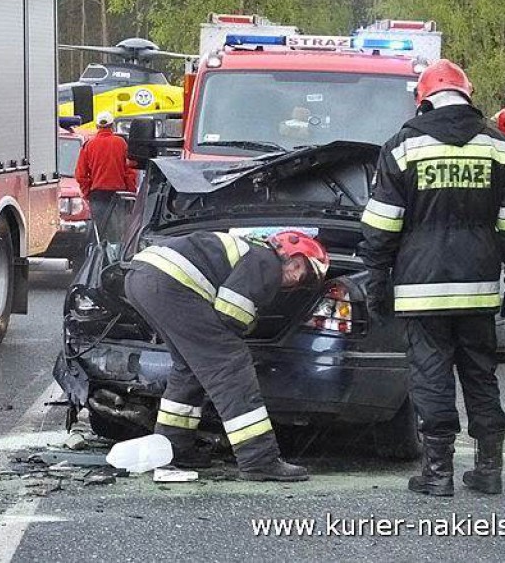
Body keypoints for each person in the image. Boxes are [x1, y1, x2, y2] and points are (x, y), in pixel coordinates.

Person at [360, 59, 505, 497]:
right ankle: (489, 471)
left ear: (424, 102)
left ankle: (438, 474)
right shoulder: (499, 147)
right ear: (468, 97)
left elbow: (382, 225)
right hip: (478, 286)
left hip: (421, 287)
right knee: (480, 374)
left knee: (431, 375)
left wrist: (377, 280)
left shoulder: (402, 148)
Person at [124, 230, 329, 482]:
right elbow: (230, 314)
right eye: (298, 265)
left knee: (188, 367)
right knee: (231, 365)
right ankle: (259, 459)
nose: (296, 276)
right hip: (168, 284)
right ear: (286, 251)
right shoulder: (266, 260)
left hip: (142, 279)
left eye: (304, 277)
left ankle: (173, 450)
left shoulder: (251, 251)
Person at [75, 111, 139, 241]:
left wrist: (88, 193)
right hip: (119, 194)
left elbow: (81, 174)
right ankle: (117, 257)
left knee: (101, 233)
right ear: (112, 126)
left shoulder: (89, 145)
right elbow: (130, 171)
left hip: (97, 195)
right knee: (119, 233)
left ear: (97, 127)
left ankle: (103, 257)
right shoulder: (121, 143)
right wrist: (130, 191)